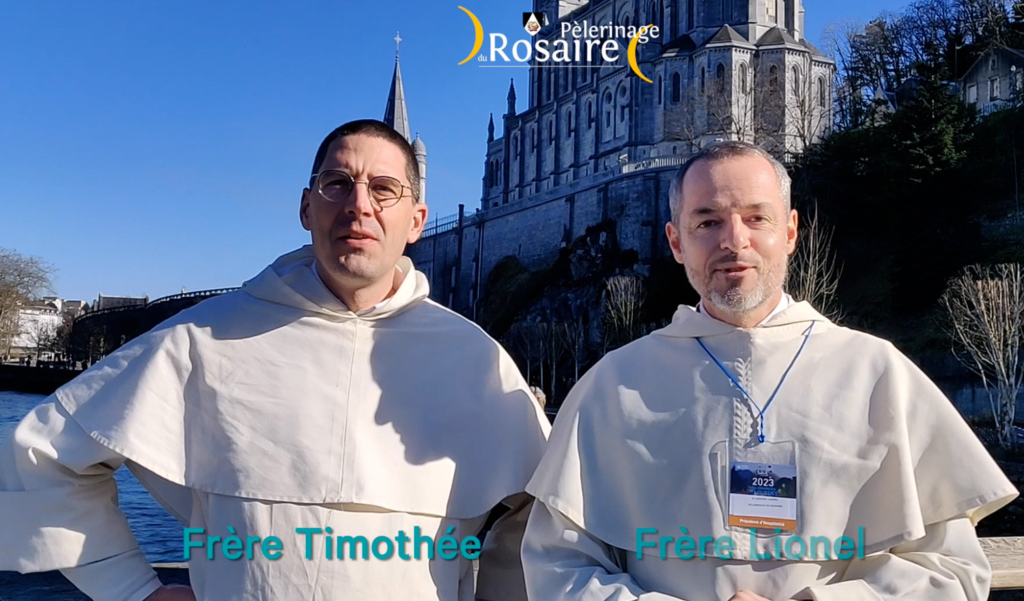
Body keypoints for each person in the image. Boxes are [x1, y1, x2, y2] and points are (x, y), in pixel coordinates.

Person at [0, 120, 550, 601]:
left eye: (384, 189)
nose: (359, 205)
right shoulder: (203, 337)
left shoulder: (475, 358)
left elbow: (537, 519)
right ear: (307, 208)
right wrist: (130, 588)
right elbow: (42, 455)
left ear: (416, 221)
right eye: (338, 184)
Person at [521, 141, 1018, 601]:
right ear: (676, 242)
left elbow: (950, 571)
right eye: (707, 222)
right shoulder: (612, 385)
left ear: (790, 232)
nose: (733, 240)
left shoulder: (879, 374)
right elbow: (559, 567)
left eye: (756, 218)